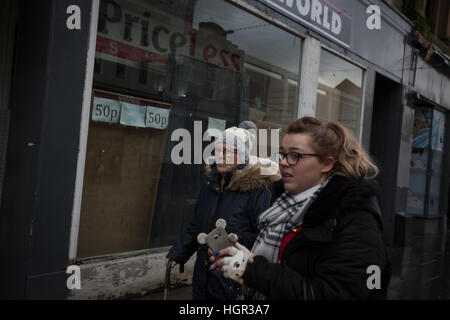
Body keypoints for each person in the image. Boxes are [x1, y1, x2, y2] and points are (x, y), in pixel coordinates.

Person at [210, 117, 392, 300]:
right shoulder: (291, 205)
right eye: (282, 154)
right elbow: (290, 247)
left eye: (295, 155)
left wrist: (248, 270)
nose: (283, 162)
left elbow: (331, 293)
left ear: (327, 163)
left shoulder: (358, 222)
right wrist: (237, 243)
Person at [166, 121, 280, 300]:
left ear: (242, 156)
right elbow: (198, 224)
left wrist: (234, 240)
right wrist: (179, 252)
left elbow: (262, 237)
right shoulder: (210, 186)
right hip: (203, 273)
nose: (221, 155)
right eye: (218, 150)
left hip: (232, 277)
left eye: (228, 151)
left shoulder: (256, 191)